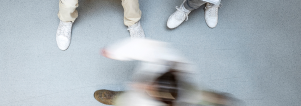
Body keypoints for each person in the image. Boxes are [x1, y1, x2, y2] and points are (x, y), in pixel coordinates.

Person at [94, 38, 241, 106]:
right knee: (198, 94)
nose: (145, 86)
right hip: (188, 90)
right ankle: (213, 100)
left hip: (138, 102)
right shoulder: (167, 61)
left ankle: (118, 99)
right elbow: (141, 46)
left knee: (129, 100)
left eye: (151, 91)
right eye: (151, 84)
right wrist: (115, 52)